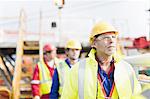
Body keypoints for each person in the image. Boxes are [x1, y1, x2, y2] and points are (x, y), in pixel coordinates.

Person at [61, 21, 142, 99]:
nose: (111, 41)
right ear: (94, 43)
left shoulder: (126, 68)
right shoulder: (78, 70)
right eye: (106, 38)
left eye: (113, 37)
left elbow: (136, 96)